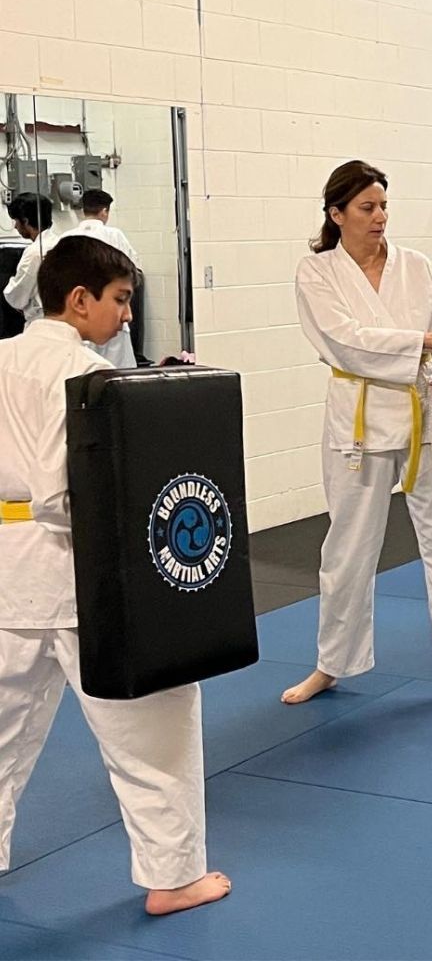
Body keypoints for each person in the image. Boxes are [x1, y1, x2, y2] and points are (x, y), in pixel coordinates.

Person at [0, 235, 230, 915]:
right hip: (80, 578)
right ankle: (174, 875)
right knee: (155, 725)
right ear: (78, 300)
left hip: (8, 578)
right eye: (121, 300)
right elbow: (59, 494)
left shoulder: (2, 357)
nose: (127, 316)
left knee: (4, 726)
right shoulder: (82, 373)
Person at [281, 160, 432, 711]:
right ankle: (332, 663)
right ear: (336, 214)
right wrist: (431, 340)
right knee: (347, 550)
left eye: (384, 206)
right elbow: (345, 341)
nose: (379, 217)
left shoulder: (416, 266)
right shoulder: (316, 271)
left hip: (424, 419)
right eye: (367, 208)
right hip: (357, 428)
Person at [59, 189, 142, 368]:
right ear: (104, 211)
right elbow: (133, 270)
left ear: (83, 210)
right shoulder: (114, 235)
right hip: (110, 314)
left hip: (78, 316)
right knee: (119, 374)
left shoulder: (66, 238)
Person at [3, 193, 59, 323]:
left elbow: (17, 295)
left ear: (26, 221)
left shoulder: (35, 253)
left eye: (16, 221)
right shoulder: (61, 243)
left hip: (42, 321)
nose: (15, 226)